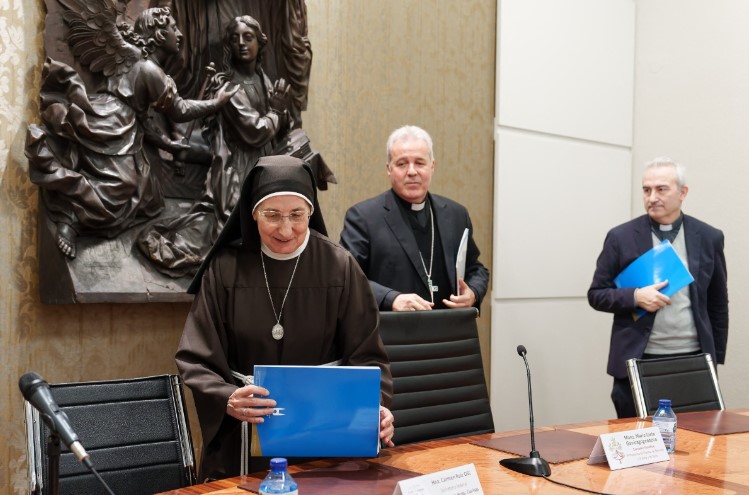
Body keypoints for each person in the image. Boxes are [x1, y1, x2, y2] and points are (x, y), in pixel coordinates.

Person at [175, 155, 394, 480]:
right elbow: (196, 358)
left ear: (311, 212)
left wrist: (375, 408)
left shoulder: (340, 266)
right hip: (246, 435)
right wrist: (228, 398)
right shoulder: (225, 268)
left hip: (325, 437)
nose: (286, 228)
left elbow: (368, 357)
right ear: (253, 214)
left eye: (297, 214)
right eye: (272, 215)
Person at [26, 7, 237, 259]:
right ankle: (70, 218)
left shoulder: (142, 64)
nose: (179, 34)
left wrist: (168, 145)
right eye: (173, 28)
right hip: (111, 122)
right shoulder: (149, 70)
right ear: (159, 35)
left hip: (125, 125)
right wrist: (217, 102)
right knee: (121, 186)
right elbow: (179, 110)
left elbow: (143, 121)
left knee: (148, 196)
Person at [588, 157, 728, 418]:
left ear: (682, 192)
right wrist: (635, 296)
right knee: (639, 444)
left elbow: (718, 303)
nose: (652, 197)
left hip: (693, 360)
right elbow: (596, 294)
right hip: (638, 360)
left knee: (696, 444)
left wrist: (714, 359)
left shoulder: (709, 237)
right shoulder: (621, 237)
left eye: (661, 189)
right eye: (646, 190)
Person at [340, 125, 489, 312]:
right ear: (389, 169)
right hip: (392, 335)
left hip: (449, 333)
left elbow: (476, 269)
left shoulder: (456, 214)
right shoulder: (363, 217)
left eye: (420, 163)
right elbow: (345, 277)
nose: (412, 171)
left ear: (432, 166)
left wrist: (473, 292)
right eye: (402, 164)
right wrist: (390, 299)